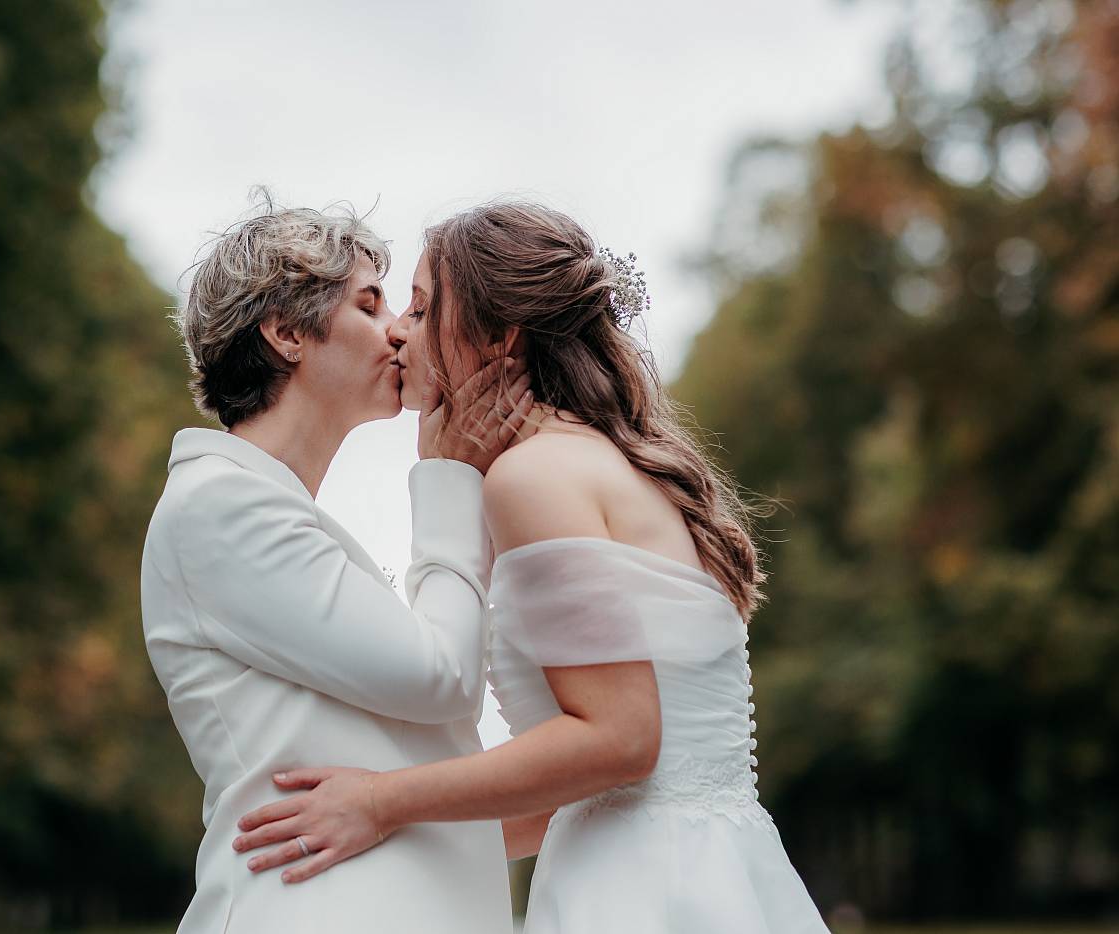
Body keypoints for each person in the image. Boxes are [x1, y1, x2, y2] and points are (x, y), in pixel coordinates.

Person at [231, 201, 830, 933]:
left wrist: (383, 798)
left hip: (638, 890)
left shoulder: (535, 479)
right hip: (709, 871)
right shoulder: (594, 461)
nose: (397, 330)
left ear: (499, 336)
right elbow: (575, 792)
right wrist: (380, 837)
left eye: (420, 309)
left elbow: (620, 740)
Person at [140, 194, 533, 934]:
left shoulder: (268, 511)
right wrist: (450, 475)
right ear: (286, 332)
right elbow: (442, 680)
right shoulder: (219, 506)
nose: (398, 333)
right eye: (370, 304)